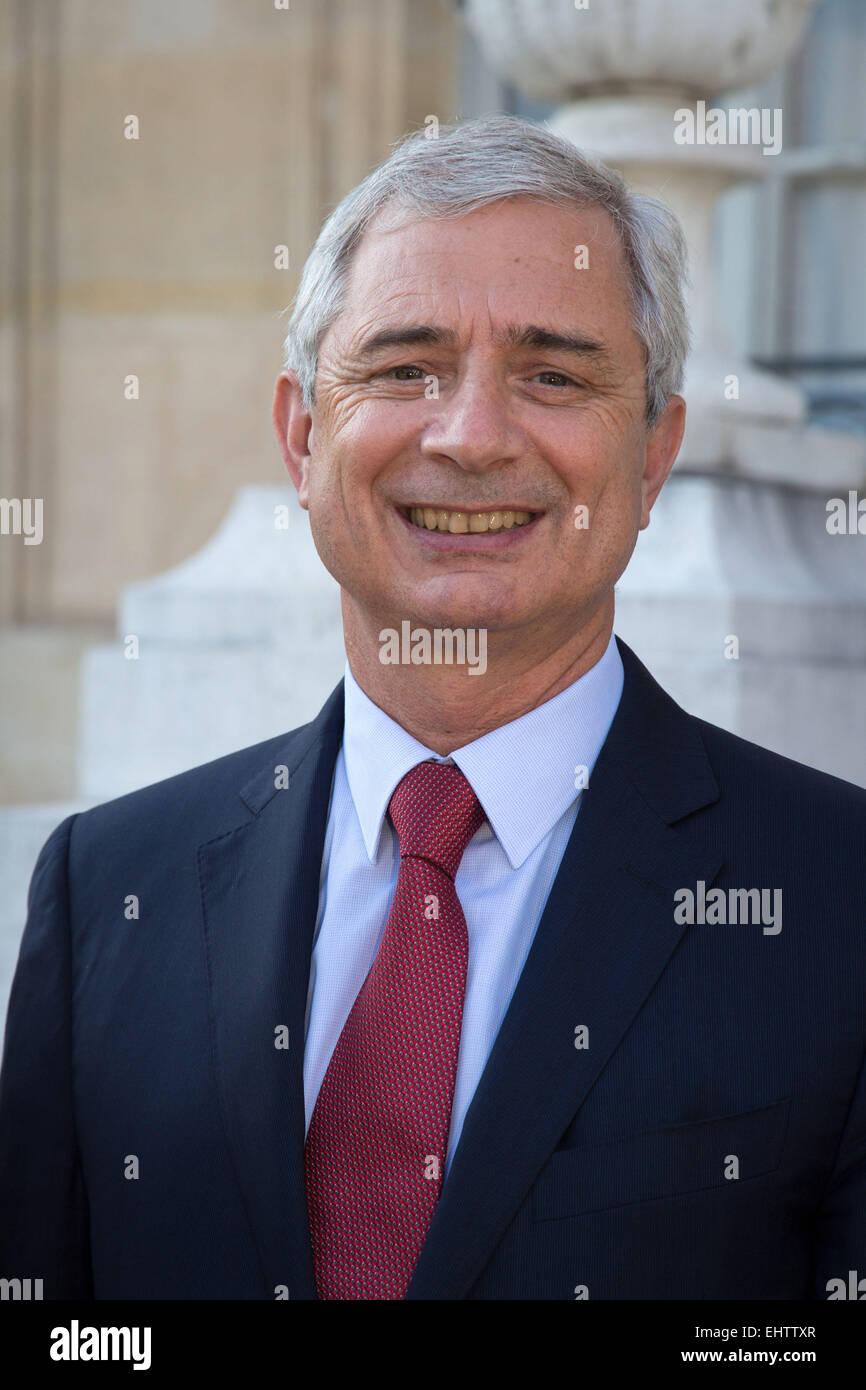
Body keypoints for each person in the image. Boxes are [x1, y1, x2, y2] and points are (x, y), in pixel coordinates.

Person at [1, 117, 864, 1301]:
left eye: (553, 375)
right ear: (303, 437)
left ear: (652, 457)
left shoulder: (837, 898)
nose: (467, 436)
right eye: (404, 367)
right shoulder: (105, 889)